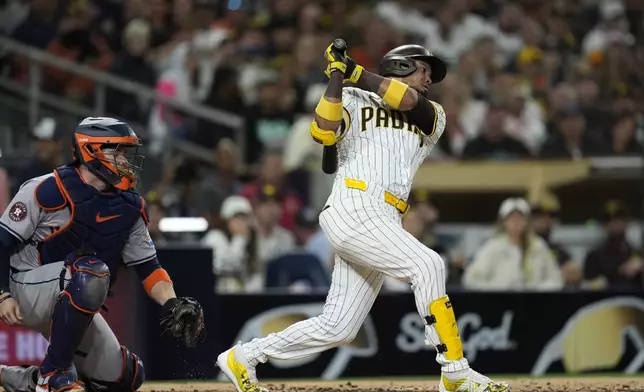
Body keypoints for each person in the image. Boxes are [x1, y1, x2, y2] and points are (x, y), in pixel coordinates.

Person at [216, 42, 509, 392]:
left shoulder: (433, 115)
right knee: (428, 265)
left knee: (339, 327)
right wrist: (337, 77)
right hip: (354, 205)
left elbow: (410, 102)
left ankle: (244, 356)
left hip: (385, 216)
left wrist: (354, 71)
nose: (429, 78)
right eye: (423, 69)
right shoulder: (353, 98)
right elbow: (322, 132)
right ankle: (456, 372)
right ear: (399, 66)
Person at [0, 117, 204, 392]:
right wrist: (2, 294)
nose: (124, 159)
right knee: (90, 272)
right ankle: (53, 374)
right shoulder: (46, 188)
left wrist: (172, 303)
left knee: (126, 377)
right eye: (117, 151)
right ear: (91, 150)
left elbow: (150, 268)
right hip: (23, 288)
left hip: (73, 294)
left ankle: (15, 379)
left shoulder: (129, 206)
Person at [462, 197, 564, 291]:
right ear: (504, 222)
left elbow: (555, 279)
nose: (516, 222)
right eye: (511, 218)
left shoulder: (538, 246)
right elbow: (471, 279)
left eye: (520, 218)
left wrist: (537, 290)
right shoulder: (493, 247)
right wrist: (496, 289)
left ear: (526, 221)